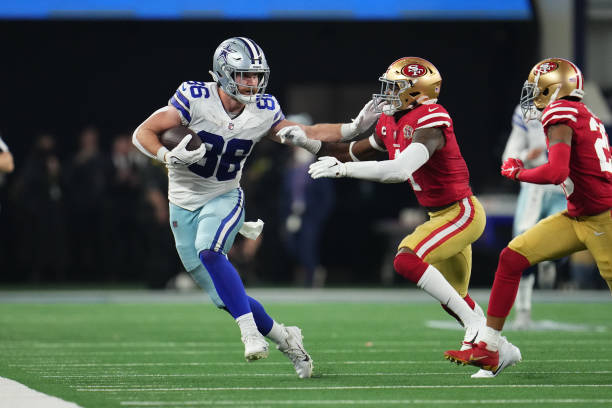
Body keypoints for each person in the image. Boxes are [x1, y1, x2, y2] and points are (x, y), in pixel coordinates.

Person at [132, 36, 379, 378]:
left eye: (256, 75)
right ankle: (286, 337)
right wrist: (166, 155)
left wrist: (353, 127)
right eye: (244, 75)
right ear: (223, 72)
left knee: (210, 250)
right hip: (182, 204)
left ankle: (250, 334)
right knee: (224, 298)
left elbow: (306, 131)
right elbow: (143, 132)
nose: (252, 82)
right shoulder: (194, 97)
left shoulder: (263, 108)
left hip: (224, 195)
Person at [282, 57, 520, 370]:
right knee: (454, 298)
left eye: (395, 87)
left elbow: (399, 169)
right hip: (440, 216)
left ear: (417, 92)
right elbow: (351, 151)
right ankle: (504, 351)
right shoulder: (391, 122)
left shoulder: (431, 119)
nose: (387, 94)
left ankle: (475, 322)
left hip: (461, 213)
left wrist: (344, 171)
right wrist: (309, 143)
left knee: (406, 259)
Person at [444, 57, 612, 376]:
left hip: (603, 219)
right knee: (512, 257)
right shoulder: (586, 115)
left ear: (555, 87)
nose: (534, 93)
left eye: (539, 86)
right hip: (578, 215)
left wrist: (520, 172)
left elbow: (557, 170)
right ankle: (491, 348)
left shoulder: (562, 113)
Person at [501, 105, 567, 329]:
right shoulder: (527, 111)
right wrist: (523, 157)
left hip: (566, 186)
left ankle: (549, 259)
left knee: (567, 243)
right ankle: (523, 311)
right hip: (535, 186)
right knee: (520, 247)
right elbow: (508, 156)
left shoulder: (575, 112)